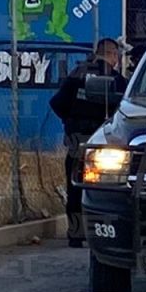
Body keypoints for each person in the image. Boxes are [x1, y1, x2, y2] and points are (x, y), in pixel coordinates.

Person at [49, 38, 128, 247]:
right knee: (107, 189)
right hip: (105, 146)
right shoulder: (117, 80)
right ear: (112, 55)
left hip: (78, 141)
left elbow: (57, 103)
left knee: (75, 188)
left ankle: (75, 235)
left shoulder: (76, 75)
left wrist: (70, 121)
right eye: (116, 56)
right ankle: (107, 234)